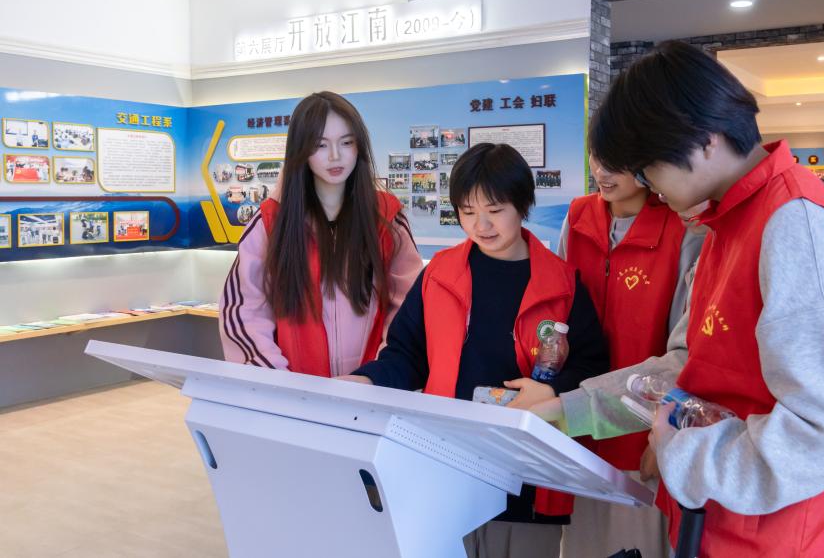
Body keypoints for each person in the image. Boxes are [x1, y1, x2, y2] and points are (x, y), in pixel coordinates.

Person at [570, 40, 824, 556]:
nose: (649, 186)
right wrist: (566, 410)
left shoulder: (795, 225)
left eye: (649, 168)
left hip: (783, 539)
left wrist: (686, 454)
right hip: (724, 526)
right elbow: (690, 364)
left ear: (704, 140)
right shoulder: (727, 223)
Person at [345, 143, 609, 558]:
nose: (481, 225)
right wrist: (367, 380)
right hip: (447, 470)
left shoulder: (563, 284)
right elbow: (407, 355)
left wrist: (554, 392)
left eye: (495, 209)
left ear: (523, 205)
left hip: (525, 482)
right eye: (467, 212)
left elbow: (593, 366)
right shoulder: (439, 275)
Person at [553, 154, 703, 558]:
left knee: (636, 544)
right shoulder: (578, 216)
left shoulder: (681, 227)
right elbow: (561, 305)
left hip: (642, 431)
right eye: (597, 158)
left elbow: (686, 352)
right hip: (577, 426)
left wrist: (666, 437)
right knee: (582, 544)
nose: (602, 172)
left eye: (616, 162)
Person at [218, 91, 423, 378]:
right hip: (294, 392)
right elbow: (245, 311)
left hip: (370, 389)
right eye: (320, 145)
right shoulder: (271, 222)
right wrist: (279, 381)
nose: (335, 156)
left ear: (359, 146)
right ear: (301, 150)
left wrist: (378, 374)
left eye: (346, 142)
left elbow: (409, 307)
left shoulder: (386, 217)